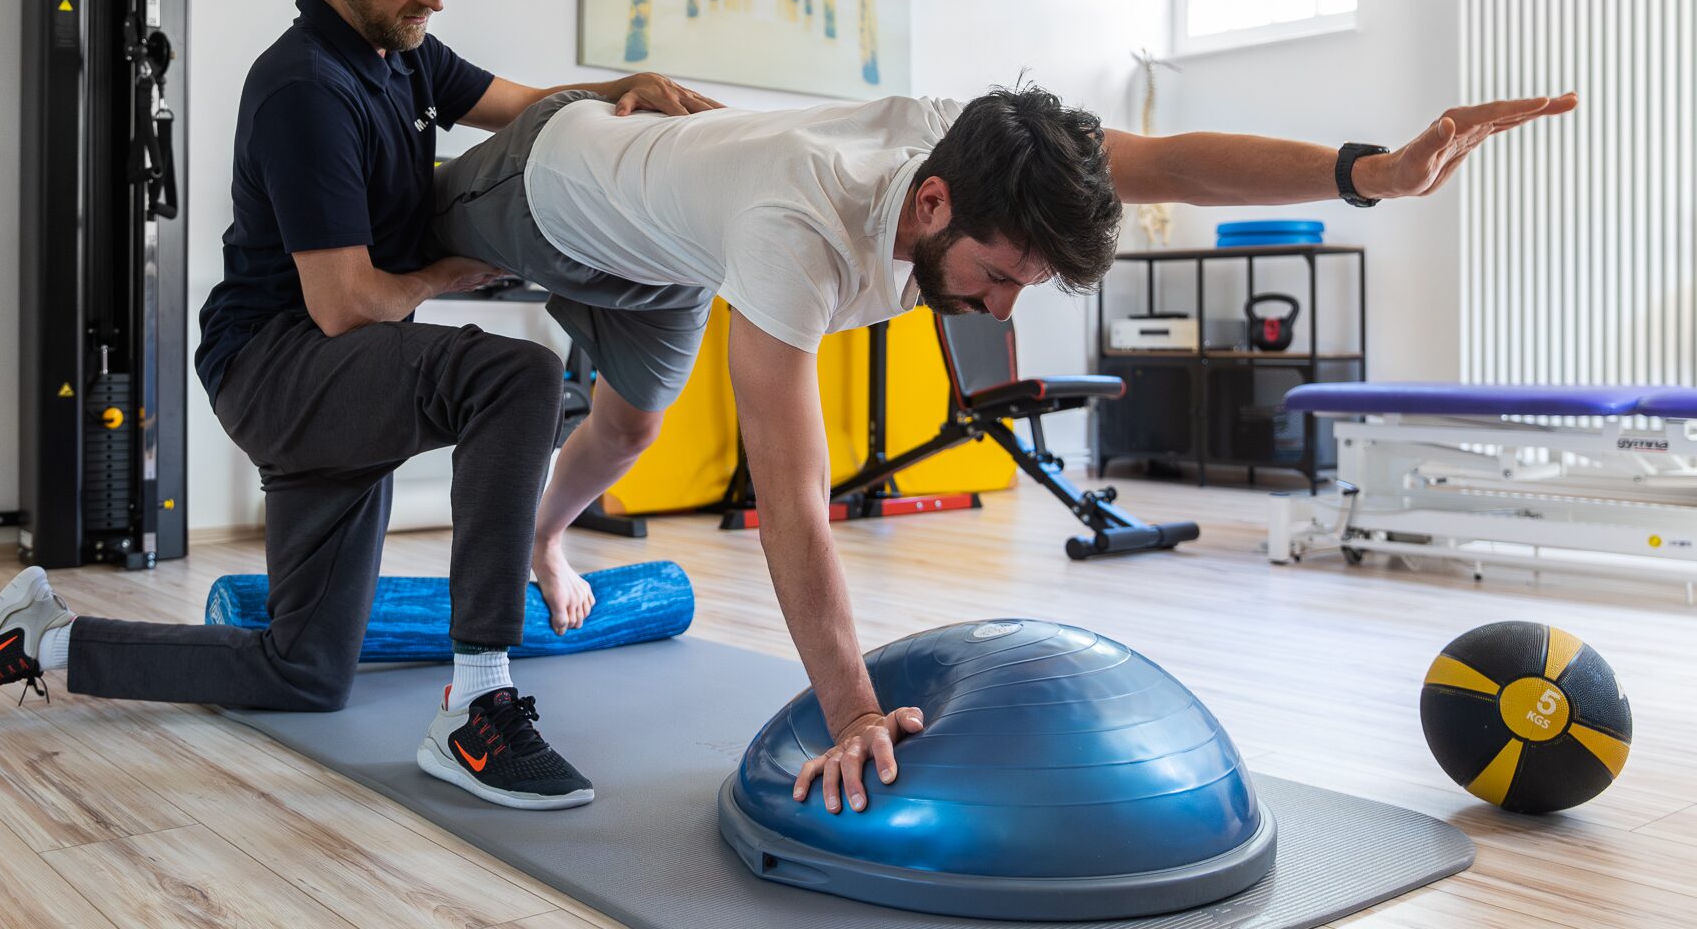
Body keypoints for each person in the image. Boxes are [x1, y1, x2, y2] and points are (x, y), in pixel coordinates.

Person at [431, 80, 1579, 814]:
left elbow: (1171, 161)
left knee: (627, 422)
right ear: (930, 205)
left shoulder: (978, 153)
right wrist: (851, 715)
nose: (998, 313)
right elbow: (789, 496)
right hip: (547, 188)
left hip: (663, 250)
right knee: (397, 256)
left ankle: (543, 543)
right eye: (994, 277)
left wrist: (1363, 176)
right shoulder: (799, 233)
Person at [0, 0, 716, 811]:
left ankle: (43, 638)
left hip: (327, 376)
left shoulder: (402, 55)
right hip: (281, 365)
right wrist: (444, 272)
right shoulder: (305, 86)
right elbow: (343, 303)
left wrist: (616, 88)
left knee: (303, 669)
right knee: (509, 380)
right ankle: (477, 701)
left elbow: (517, 107)